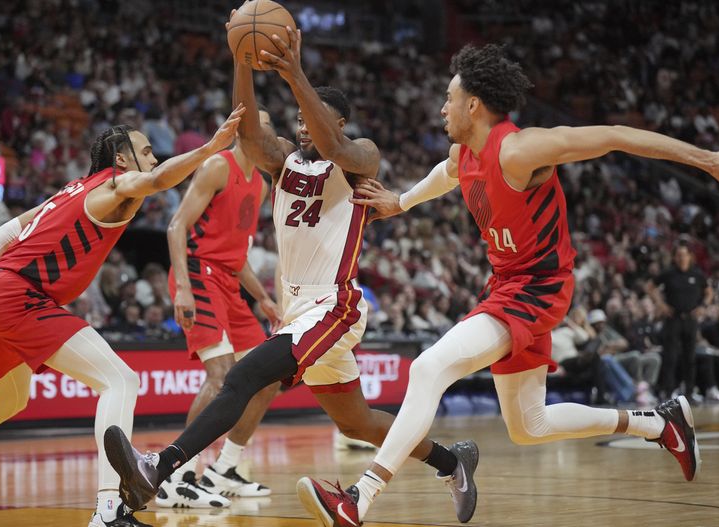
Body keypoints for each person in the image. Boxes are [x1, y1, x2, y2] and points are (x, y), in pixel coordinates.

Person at [298, 43, 719, 526]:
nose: (441, 107)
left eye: (449, 97)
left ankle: (359, 500)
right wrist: (401, 203)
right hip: (507, 284)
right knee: (530, 426)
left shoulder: (521, 149)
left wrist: (710, 159)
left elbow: (613, 136)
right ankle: (658, 423)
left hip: (539, 287)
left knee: (427, 368)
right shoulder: (463, 154)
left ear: (473, 105)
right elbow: (446, 175)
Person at [102, 23, 475, 519]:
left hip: (333, 304)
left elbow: (338, 149)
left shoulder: (359, 155)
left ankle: (161, 467)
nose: (302, 127)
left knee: (243, 377)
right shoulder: (282, 162)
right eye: (298, 119)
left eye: (312, 119)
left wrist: (295, 71)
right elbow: (250, 132)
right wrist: (241, 58)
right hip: (299, 308)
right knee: (357, 424)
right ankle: (455, 462)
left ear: (338, 122)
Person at [0, 104, 246, 527]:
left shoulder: (75, 189)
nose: (155, 156)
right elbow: (159, 180)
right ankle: (109, 510)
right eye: (146, 149)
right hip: (17, 295)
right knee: (120, 379)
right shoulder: (116, 186)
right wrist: (209, 149)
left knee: (9, 400)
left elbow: (9, 229)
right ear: (122, 160)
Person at [158, 110, 283, 508]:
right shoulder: (217, 165)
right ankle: (175, 476)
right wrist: (182, 288)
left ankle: (223, 469)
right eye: (261, 126)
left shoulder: (260, 185)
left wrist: (262, 298)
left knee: (267, 379)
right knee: (221, 374)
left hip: (228, 281)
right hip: (196, 274)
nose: (268, 133)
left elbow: (235, 254)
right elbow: (176, 226)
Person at [648, 242, 713, 400]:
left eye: (684, 254)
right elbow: (650, 286)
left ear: (690, 256)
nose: (681, 257)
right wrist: (660, 304)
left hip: (690, 319)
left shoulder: (697, 274)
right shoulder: (669, 273)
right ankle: (668, 392)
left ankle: (689, 393)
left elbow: (709, 292)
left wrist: (703, 306)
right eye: (678, 255)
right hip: (673, 318)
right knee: (670, 356)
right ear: (674, 257)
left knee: (689, 358)